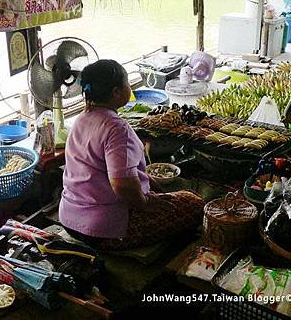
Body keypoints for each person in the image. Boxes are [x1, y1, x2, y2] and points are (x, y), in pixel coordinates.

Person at [59, 59, 206, 250]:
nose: (129, 87)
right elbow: (121, 184)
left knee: (166, 195)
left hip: (69, 218)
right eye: (127, 83)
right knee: (193, 203)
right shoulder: (116, 128)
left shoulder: (80, 119)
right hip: (102, 229)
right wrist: (145, 203)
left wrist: (150, 189)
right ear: (116, 92)